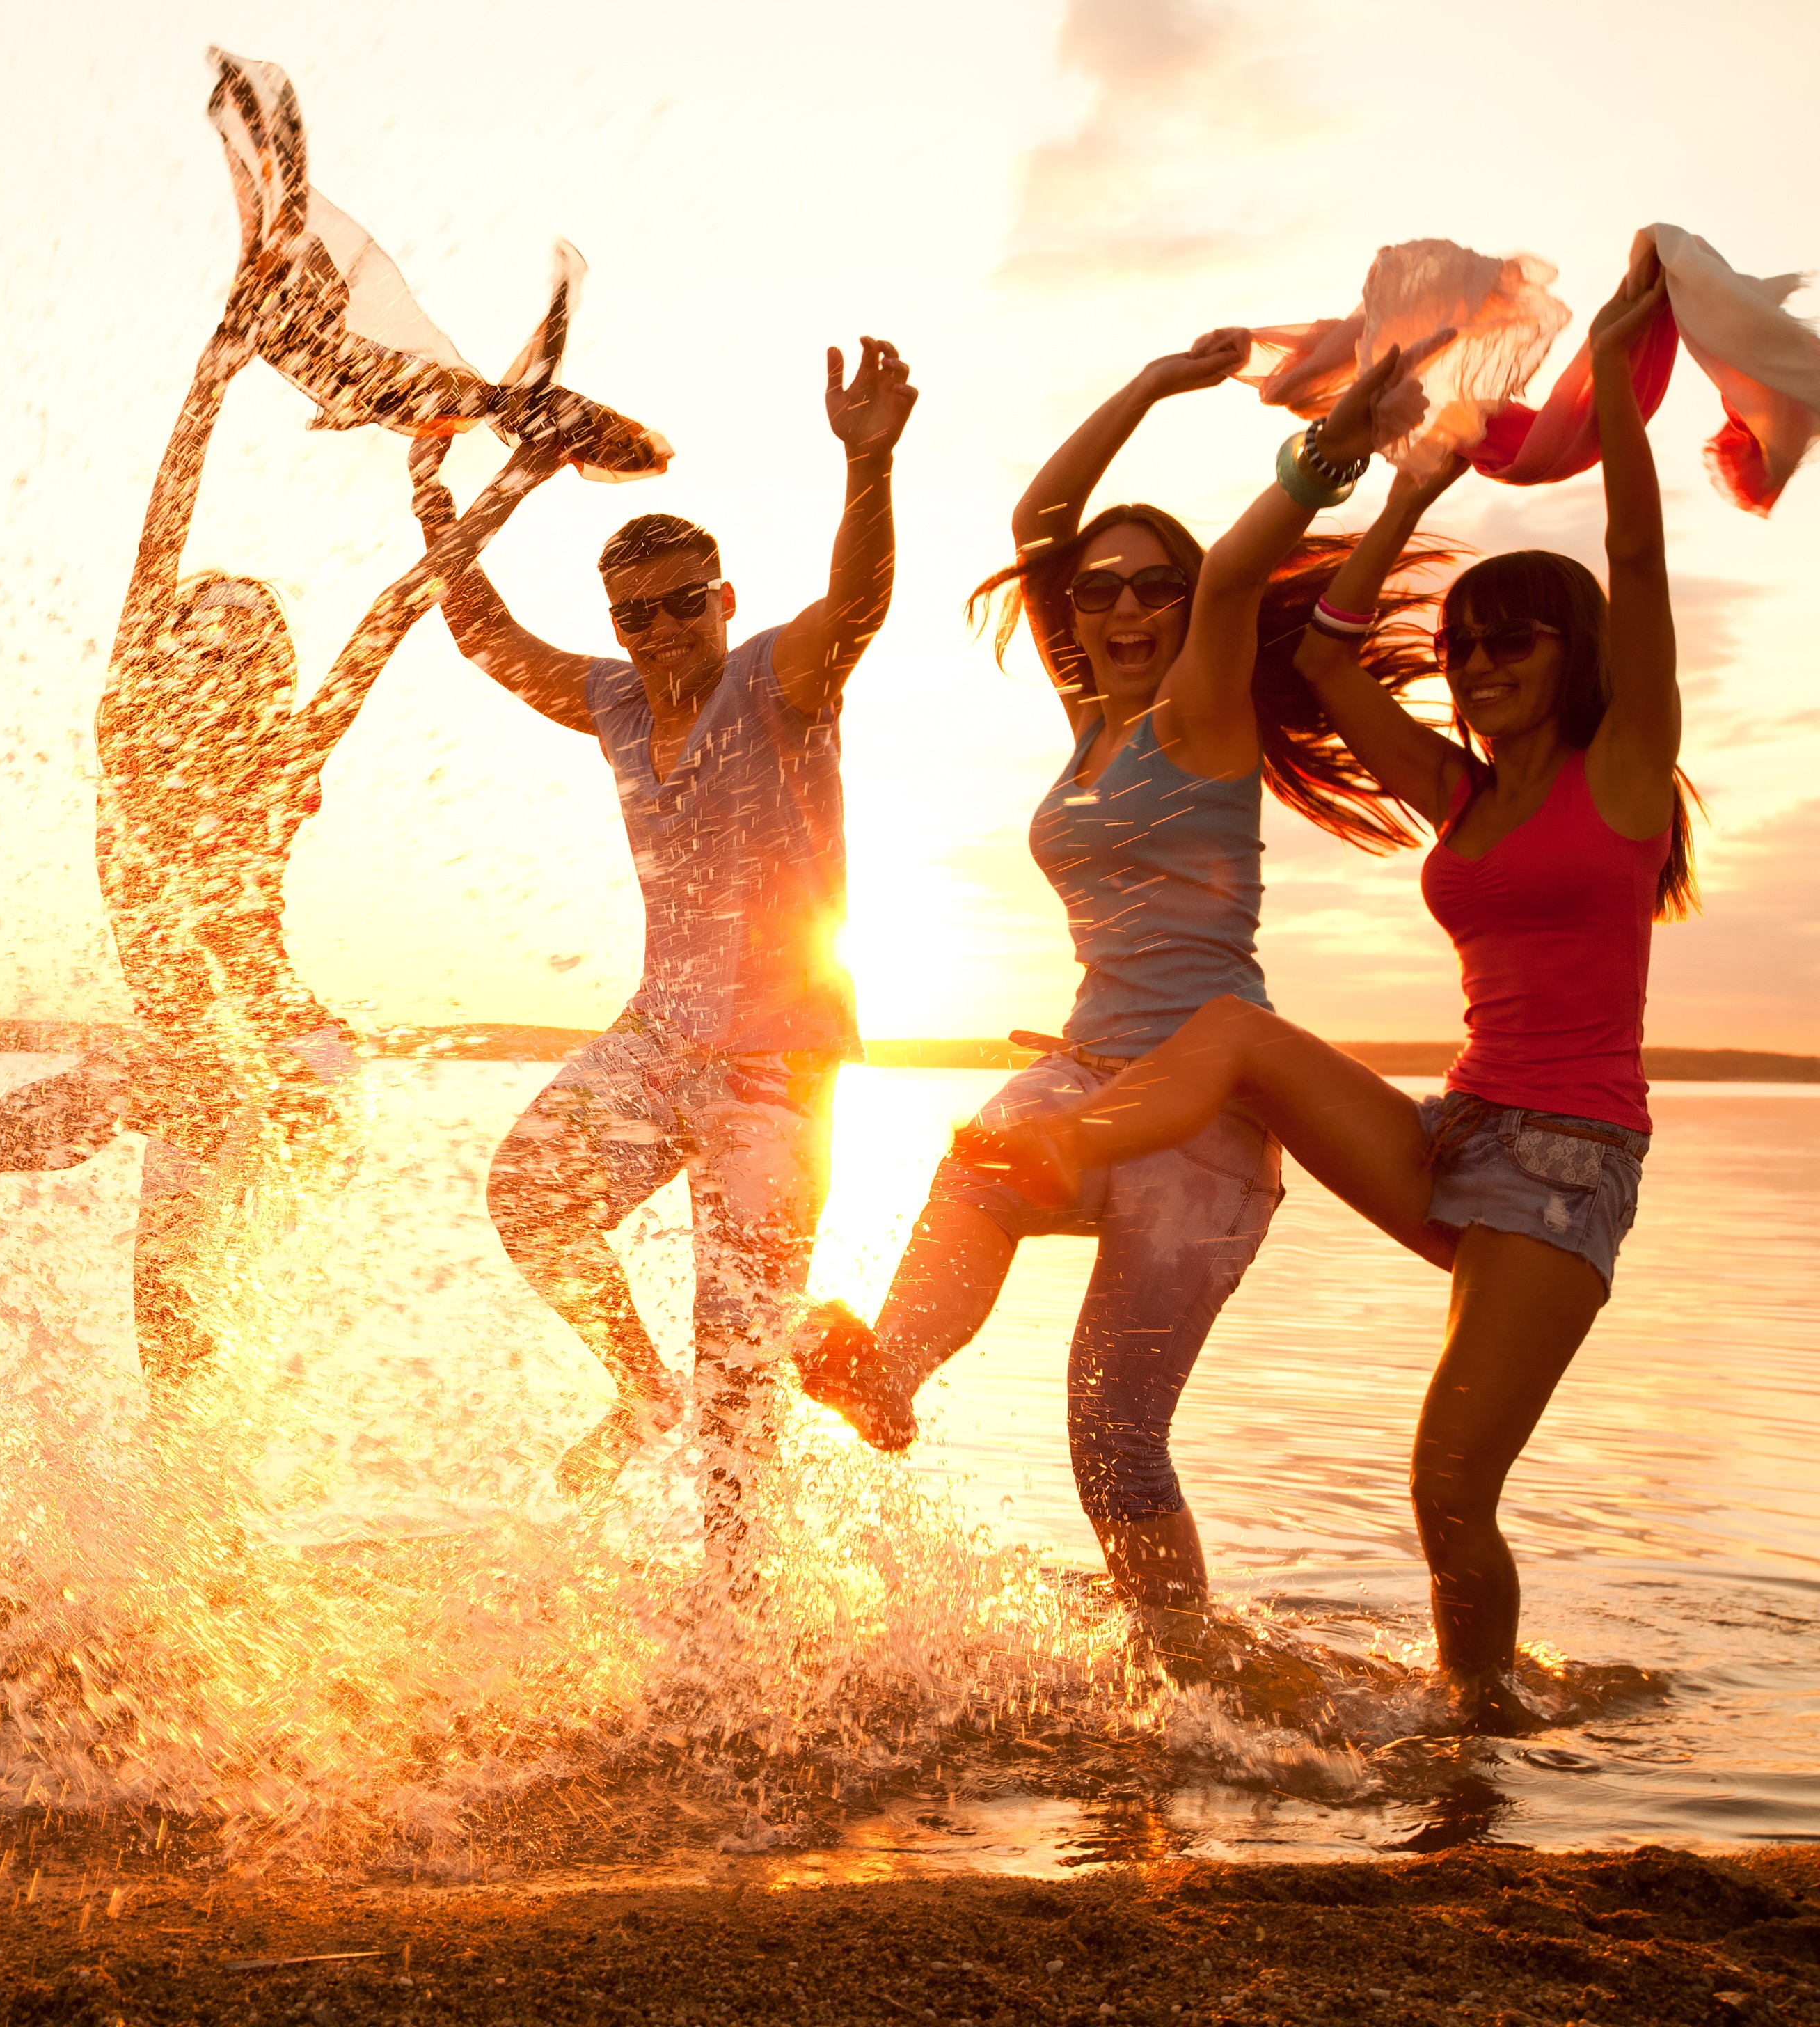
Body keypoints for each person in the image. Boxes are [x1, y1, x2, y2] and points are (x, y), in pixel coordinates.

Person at [951, 252, 1695, 1732]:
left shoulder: (1620, 779)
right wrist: (1406, 495)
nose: (1477, 666)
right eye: (1467, 644)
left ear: (1575, 655)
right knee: (1236, 1034)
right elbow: (1336, 660)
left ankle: (1483, 1716)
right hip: (1461, 1132)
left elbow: (1640, 563)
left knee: (1446, 1492)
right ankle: (1068, 1141)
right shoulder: (1461, 795)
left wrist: (1609, 390)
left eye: (1511, 641)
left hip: (1566, 1171)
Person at [791, 331, 1451, 1611]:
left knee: (1112, 1442)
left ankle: (1186, 1673)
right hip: (1087, 1075)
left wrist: (1329, 458)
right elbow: (1043, 520)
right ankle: (888, 1381)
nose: (1128, 608)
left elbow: (1238, 578)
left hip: (1205, 1113)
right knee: (978, 1169)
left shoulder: (1203, 708)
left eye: (1155, 587)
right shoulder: (1092, 720)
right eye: (1102, 593)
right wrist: (1155, 383)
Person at [0, 263, 583, 1406]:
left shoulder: (283, 751)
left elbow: (399, 604)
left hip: (290, 1064)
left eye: (246, 643)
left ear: (268, 671)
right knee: (176, 1342)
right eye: (202, 632)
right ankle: (208, 1553)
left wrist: (507, 483)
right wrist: (212, 376)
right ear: (168, 649)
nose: (220, 652)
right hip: (205, 1072)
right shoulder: (129, 727)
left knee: (134, 1080)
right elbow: (163, 537)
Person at [406, 335, 916, 1561]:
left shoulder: (779, 681)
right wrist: (432, 500)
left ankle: (735, 1620)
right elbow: (485, 638)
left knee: (733, 1367)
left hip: (774, 1061)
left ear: (724, 599)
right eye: (637, 614)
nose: (662, 629)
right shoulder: (617, 702)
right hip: (656, 1038)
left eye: (686, 602)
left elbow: (856, 608)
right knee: (529, 1196)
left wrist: (870, 463)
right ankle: (640, 1389)